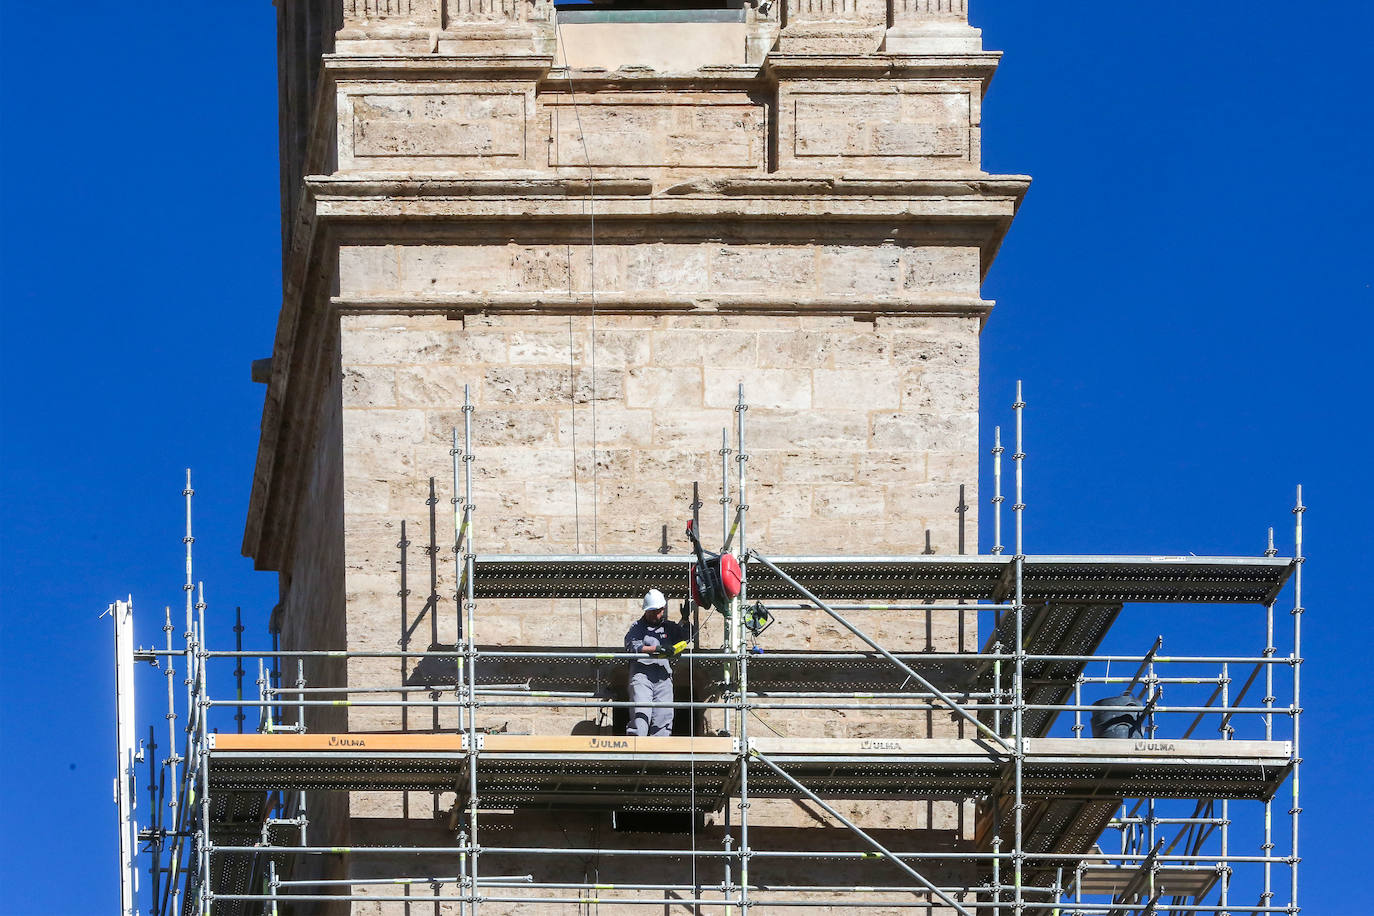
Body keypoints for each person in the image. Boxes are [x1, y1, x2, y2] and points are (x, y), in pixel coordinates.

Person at [624, 588, 689, 737]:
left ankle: (658, 757)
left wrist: (684, 620)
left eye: (659, 611)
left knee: (664, 719)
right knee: (641, 718)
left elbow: (684, 637)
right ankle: (636, 755)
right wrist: (658, 648)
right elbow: (632, 646)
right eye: (653, 612)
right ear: (646, 611)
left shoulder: (668, 627)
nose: (657, 615)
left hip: (663, 677)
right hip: (642, 676)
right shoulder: (637, 627)